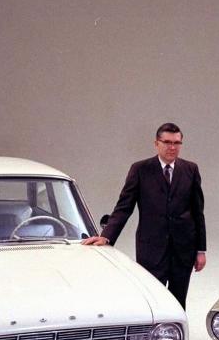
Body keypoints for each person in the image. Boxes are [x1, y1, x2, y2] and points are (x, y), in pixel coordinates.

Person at [82, 123, 206, 308]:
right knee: (152, 300)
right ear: (156, 143)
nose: (172, 147)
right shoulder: (140, 169)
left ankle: (177, 328)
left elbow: (198, 212)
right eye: (167, 142)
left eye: (177, 143)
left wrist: (200, 250)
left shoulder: (190, 169)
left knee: (178, 301)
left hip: (183, 250)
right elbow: (124, 207)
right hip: (151, 249)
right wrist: (106, 236)